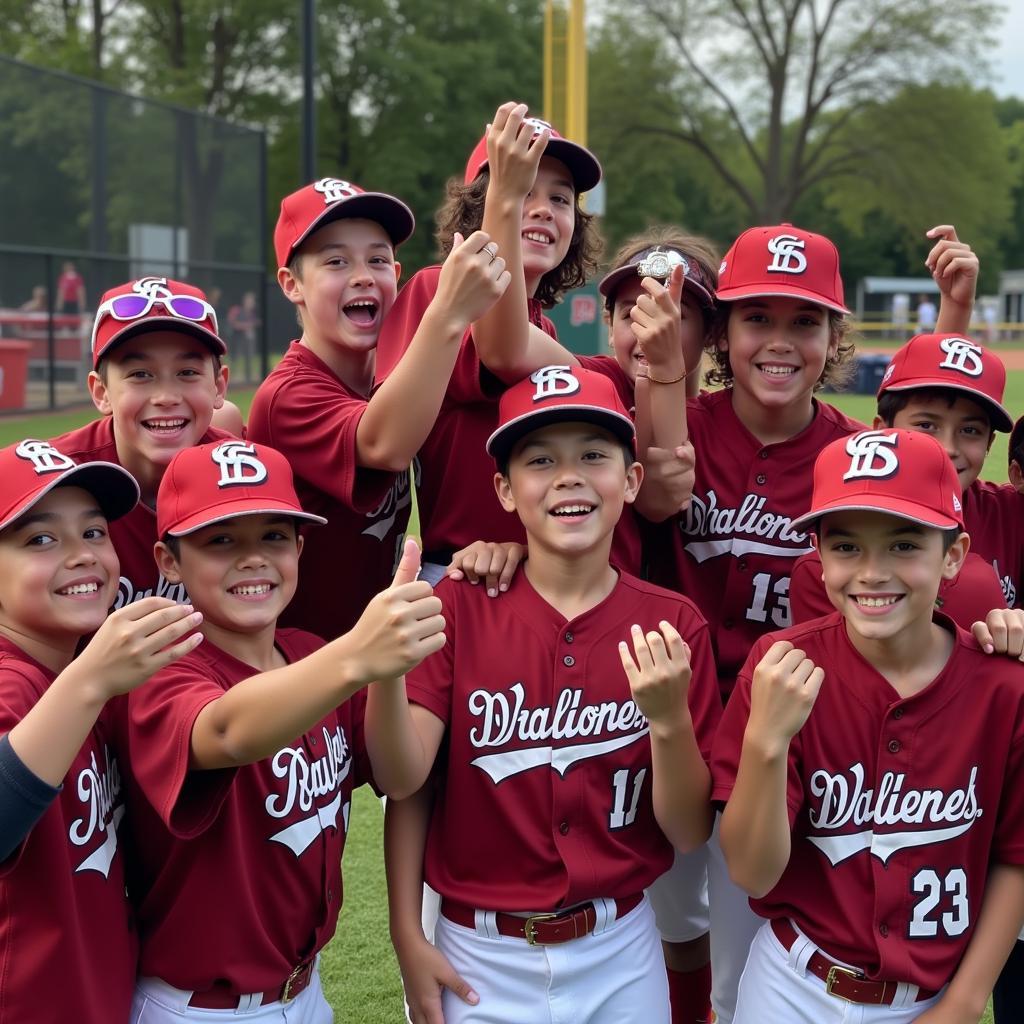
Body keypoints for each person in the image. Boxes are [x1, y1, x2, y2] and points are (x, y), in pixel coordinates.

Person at [647, 221, 978, 1024]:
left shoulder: (853, 456)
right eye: (758, 317)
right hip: (661, 719)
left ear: (836, 336)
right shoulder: (673, 428)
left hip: (789, 747)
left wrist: (998, 626)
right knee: (656, 929)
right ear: (723, 330)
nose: (780, 341)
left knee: (737, 958)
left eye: (806, 321)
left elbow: (926, 509)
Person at [373, 364, 722, 1024]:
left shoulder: (673, 625)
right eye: (541, 459)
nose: (569, 475)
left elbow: (686, 830)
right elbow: (403, 778)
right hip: (478, 954)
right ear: (504, 489)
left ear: (632, 479)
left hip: (620, 945)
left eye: (594, 454)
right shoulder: (458, 607)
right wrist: (406, 934)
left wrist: (670, 723)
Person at [124, 438, 447, 1022]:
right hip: (196, 1007)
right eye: (220, 540)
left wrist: (390, 669)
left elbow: (399, 777)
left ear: (301, 546)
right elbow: (227, 733)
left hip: (305, 992)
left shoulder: (308, 654)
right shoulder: (159, 670)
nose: (252, 559)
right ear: (168, 561)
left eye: (273, 536)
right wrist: (357, 655)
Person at [713, 427, 1024, 1023]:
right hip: (793, 986)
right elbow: (752, 873)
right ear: (819, 555)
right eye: (847, 546)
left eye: (905, 545)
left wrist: (963, 1003)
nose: (873, 573)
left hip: (930, 998)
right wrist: (767, 741)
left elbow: (1014, 856)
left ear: (953, 554)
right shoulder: (781, 667)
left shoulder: (1002, 685)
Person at [247, 178, 509, 642]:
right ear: (292, 284)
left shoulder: (399, 376)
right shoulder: (285, 394)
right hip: (305, 656)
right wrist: (447, 313)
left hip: (373, 654)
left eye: (377, 260)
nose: (363, 275)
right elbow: (383, 444)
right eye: (335, 261)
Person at [0, 438, 203, 1024]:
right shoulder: (20, 682)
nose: (82, 554)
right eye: (40, 539)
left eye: (93, 533)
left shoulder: (72, 668)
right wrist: (90, 680)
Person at [790, 331, 1015, 626]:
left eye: (970, 430)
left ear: (989, 443)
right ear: (881, 431)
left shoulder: (1010, 513)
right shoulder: (826, 565)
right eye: (926, 425)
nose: (947, 447)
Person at [48, 275, 233, 607]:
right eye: (140, 374)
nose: (165, 396)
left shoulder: (245, 477)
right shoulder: (52, 478)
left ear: (219, 387)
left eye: (187, 372)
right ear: (101, 392)